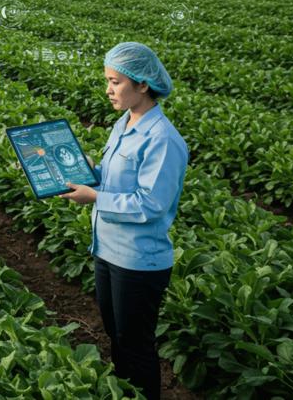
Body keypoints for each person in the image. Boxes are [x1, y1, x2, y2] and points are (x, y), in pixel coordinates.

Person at [62, 41, 188, 400]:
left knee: (135, 345)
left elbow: (151, 204)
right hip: (107, 250)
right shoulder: (125, 122)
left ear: (143, 85)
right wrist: (88, 174)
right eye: (107, 80)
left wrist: (95, 197)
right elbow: (115, 176)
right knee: (117, 338)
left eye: (115, 82)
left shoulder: (163, 139)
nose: (108, 90)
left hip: (138, 260)